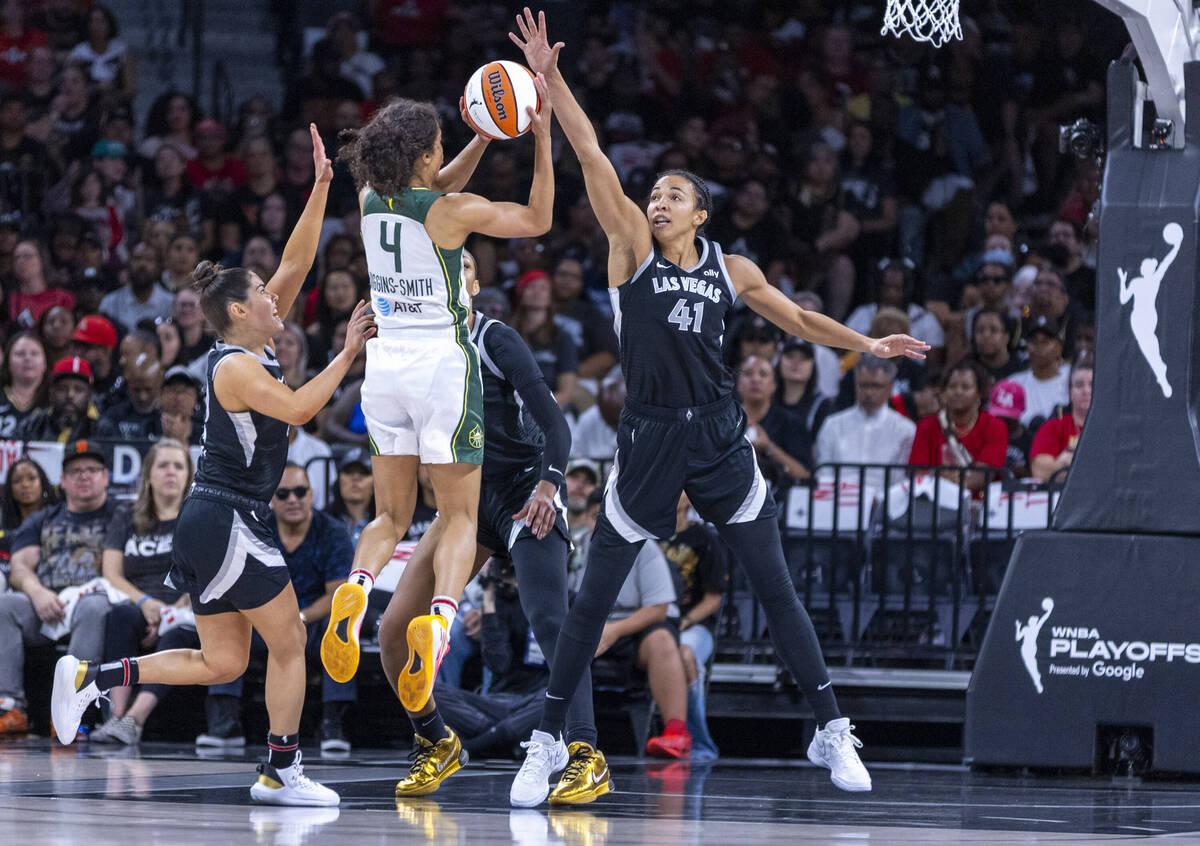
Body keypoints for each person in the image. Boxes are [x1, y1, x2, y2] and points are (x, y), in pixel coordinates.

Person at [506, 10, 927, 806]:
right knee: (589, 597)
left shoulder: (731, 268)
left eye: (674, 195)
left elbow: (799, 320)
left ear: (701, 214)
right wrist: (550, 80)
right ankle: (546, 741)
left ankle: (830, 729)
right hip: (652, 439)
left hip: (724, 438)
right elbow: (592, 153)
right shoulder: (628, 247)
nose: (657, 201)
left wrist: (866, 345)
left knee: (776, 587)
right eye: (656, 192)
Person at [50, 125, 374, 808]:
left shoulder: (248, 342)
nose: (274, 297)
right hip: (229, 516)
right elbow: (299, 412)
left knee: (224, 659)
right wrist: (347, 353)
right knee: (289, 643)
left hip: (216, 519)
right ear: (238, 310)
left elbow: (298, 256)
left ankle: (88, 675)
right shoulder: (232, 367)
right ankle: (281, 772)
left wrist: (319, 186)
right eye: (262, 292)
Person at [318, 86, 556, 722]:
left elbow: (432, 187)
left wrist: (479, 136)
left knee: (389, 518)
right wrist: (539, 140)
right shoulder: (452, 214)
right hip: (441, 368)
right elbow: (537, 220)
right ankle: (442, 621)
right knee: (457, 517)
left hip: (384, 368)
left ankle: (358, 587)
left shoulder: (370, 201)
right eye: (442, 149)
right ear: (424, 156)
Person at [364, 251, 609, 804]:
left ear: (471, 282)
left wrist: (549, 486)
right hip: (463, 503)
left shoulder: (495, 339)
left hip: (524, 492)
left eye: (460, 265)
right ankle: (436, 741)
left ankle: (587, 754)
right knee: (392, 634)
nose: (448, 272)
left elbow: (556, 424)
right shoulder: (417, 346)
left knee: (551, 619)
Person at [198, 463, 358, 754]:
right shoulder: (256, 529)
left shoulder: (333, 532)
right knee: (231, 623)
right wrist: (268, 618)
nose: (293, 499)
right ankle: (224, 724)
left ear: (312, 495)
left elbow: (337, 595)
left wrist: (298, 618)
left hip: (312, 619)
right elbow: (239, 585)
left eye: (300, 492)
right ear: (272, 498)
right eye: (283, 494)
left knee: (341, 625)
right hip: (263, 620)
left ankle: (334, 725)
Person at [0, 440, 120, 736]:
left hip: (93, 600)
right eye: (75, 470)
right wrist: (38, 593)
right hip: (46, 603)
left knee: (94, 606)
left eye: (92, 469)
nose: (83, 475)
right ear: (62, 481)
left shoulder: (121, 514)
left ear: (106, 477)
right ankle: (10, 706)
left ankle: (70, 710)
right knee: (6, 606)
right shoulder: (43, 519)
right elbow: (19, 567)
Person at [89, 439, 192, 744]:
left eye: (178, 465)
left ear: (189, 475)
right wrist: (146, 603)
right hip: (138, 601)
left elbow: (209, 571)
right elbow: (111, 572)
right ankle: (117, 717)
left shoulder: (196, 516)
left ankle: (135, 720)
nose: (171, 472)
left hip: (187, 606)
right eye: (163, 465)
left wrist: (170, 611)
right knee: (120, 616)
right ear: (148, 474)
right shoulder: (127, 514)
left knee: (179, 633)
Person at [660, 491, 729, 761]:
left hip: (695, 624)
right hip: (656, 621)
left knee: (686, 654)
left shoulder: (706, 540)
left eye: (680, 488)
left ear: (690, 499)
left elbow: (714, 600)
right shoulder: (649, 535)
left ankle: (699, 743)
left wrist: (684, 623)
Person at [813, 356, 917, 491]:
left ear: (890, 388)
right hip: (838, 503)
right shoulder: (833, 425)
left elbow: (901, 482)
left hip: (886, 507)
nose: (869, 392)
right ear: (855, 384)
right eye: (863, 385)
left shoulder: (906, 429)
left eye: (876, 386)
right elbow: (824, 475)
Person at [908, 359, 1008, 493]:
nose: (958, 392)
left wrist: (952, 488)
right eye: (952, 386)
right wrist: (941, 483)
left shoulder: (995, 426)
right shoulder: (926, 426)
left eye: (965, 387)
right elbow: (917, 472)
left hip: (978, 503)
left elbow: (985, 474)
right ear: (943, 393)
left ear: (979, 393)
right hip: (935, 500)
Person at [1030, 357, 1093, 482]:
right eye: (1079, 385)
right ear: (1070, 393)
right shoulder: (1054, 426)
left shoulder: (1112, 427)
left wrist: (1071, 463)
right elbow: (1039, 470)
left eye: (1092, 385)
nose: (1086, 391)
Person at [15, 355, 95, 442]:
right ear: (51, 391)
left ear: (89, 394)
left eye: (78, 389)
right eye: (63, 388)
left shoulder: (100, 430)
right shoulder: (31, 426)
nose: (70, 395)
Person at [1009, 316, 1069, 428]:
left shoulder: (1072, 380)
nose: (1039, 347)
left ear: (1058, 348)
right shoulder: (1013, 384)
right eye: (1033, 341)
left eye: (1045, 341)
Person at [0, 331, 48, 437]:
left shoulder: (54, 400)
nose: (27, 358)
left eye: (34, 353)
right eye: (20, 353)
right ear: (7, 362)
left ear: (44, 363)